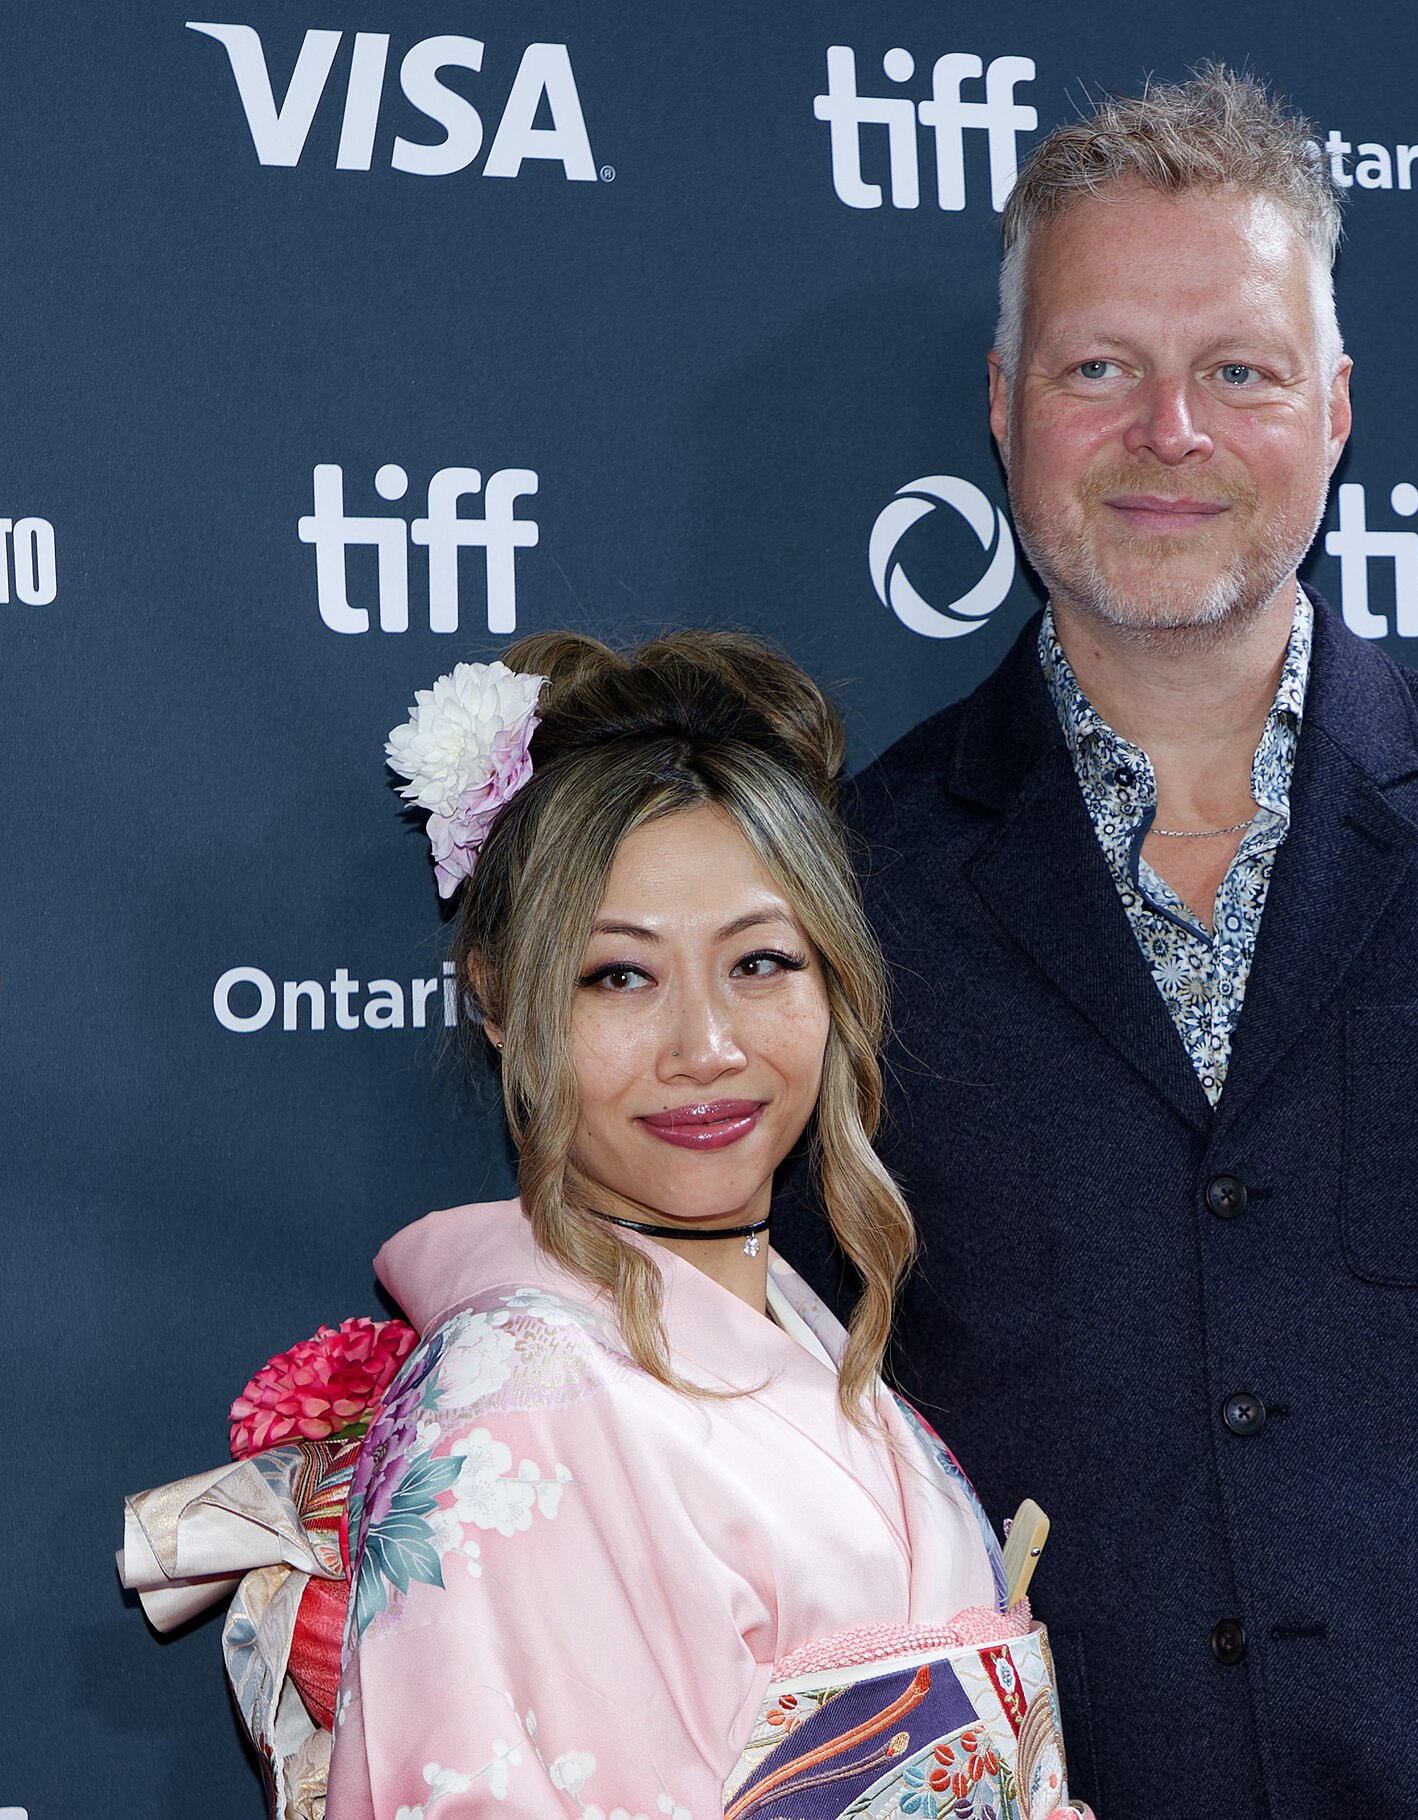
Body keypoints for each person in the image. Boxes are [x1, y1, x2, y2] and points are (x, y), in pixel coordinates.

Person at [780, 68, 1418, 1820]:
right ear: (1004, 406)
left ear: (1335, 411)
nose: (1168, 429)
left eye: (1240, 370)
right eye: (1099, 365)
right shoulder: (840, 890)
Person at [120, 631, 1077, 1820]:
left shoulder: (790, 1322)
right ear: (499, 1005)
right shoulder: (517, 1394)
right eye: (619, 976)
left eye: (761, 962)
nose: (706, 1047)